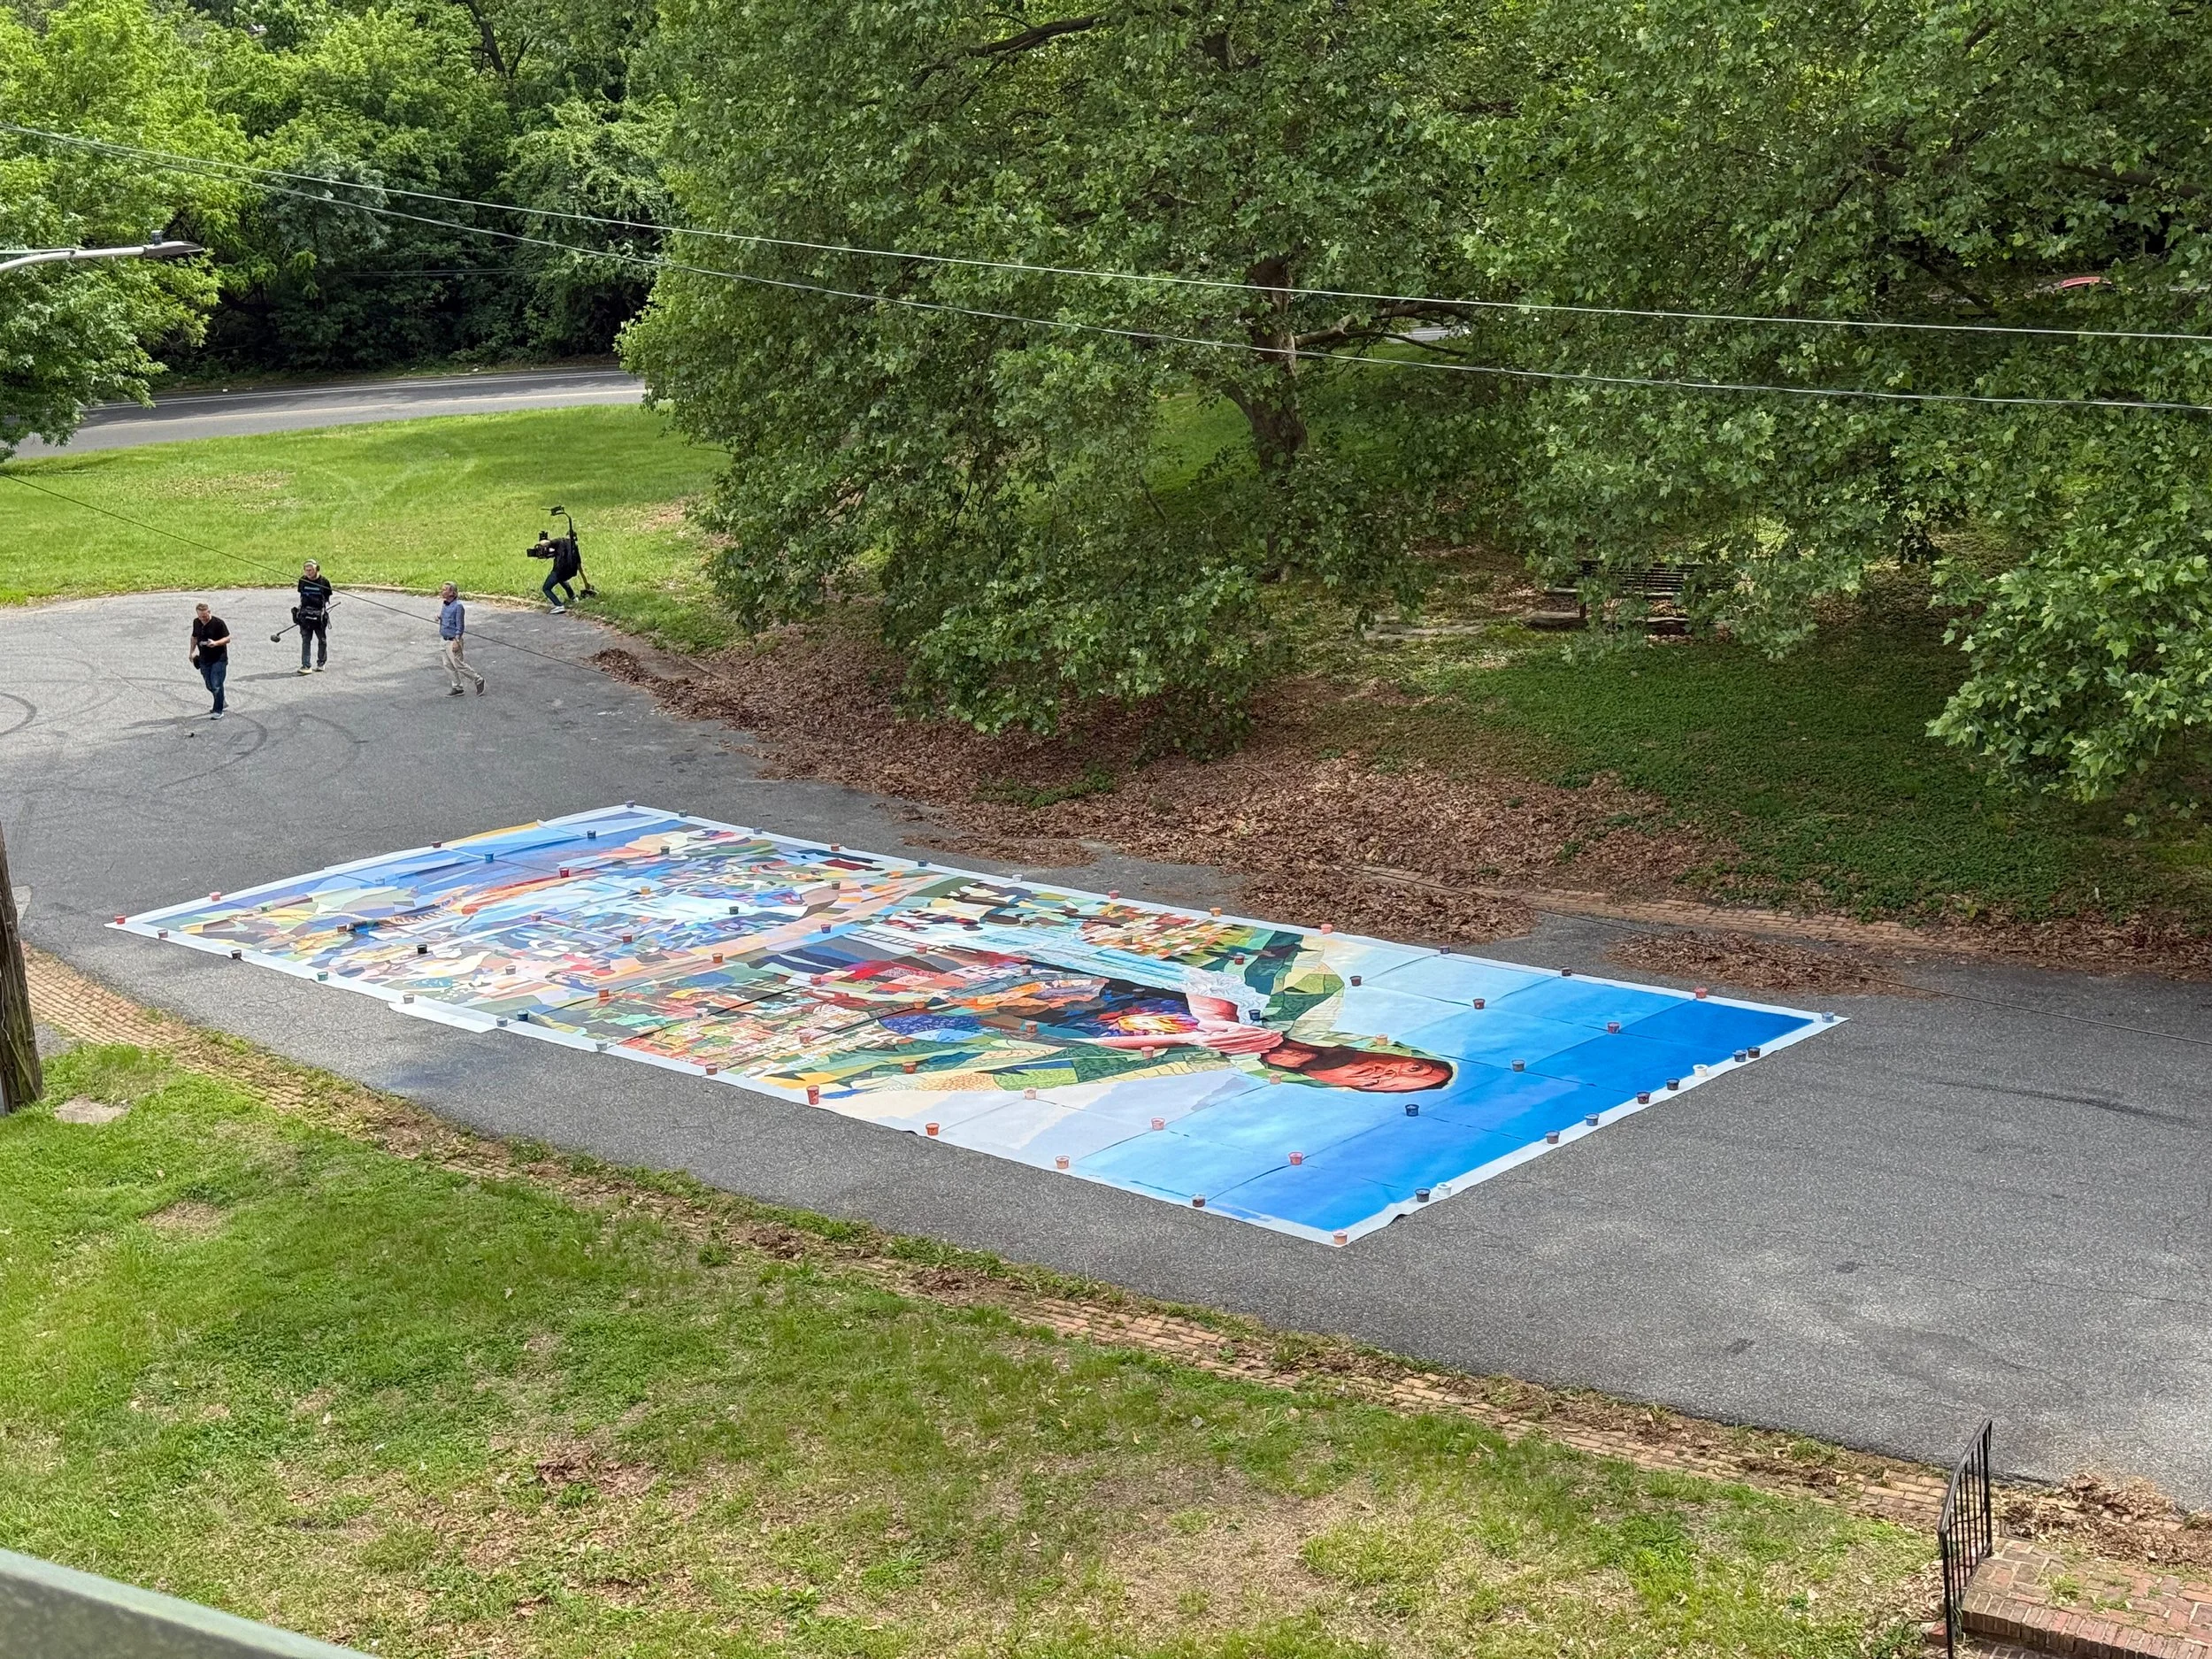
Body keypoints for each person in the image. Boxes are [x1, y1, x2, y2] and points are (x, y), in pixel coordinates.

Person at [437, 582, 486, 696]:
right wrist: (440, 617)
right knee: (447, 664)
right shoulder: (445, 604)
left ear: (452, 592)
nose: (442, 591)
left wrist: (456, 640)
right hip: (444, 639)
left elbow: (460, 625)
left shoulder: (458, 606)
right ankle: (457, 687)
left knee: (458, 664)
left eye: (445, 590)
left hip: (453, 640)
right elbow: (446, 617)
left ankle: (478, 679)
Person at [526, 529, 588, 614]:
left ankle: (559, 605)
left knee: (546, 588)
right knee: (561, 579)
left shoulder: (560, 541)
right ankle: (573, 597)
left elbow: (545, 543)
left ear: (566, 535)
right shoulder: (574, 547)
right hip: (570, 573)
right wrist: (586, 583)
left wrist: (543, 540)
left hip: (559, 571)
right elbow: (580, 568)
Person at [188, 603, 231, 718]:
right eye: (200, 616)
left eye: (205, 616)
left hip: (219, 658)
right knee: (209, 685)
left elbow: (227, 639)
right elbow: (194, 637)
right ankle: (221, 700)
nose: (203, 619)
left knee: (216, 684)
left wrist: (216, 643)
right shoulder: (196, 622)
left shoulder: (218, 623)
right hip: (204, 659)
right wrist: (192, 652)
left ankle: (218, 711)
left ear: (209, 612)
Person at [294, 559, 333, 674]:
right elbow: (301, 595)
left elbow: (327, 597)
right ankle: (306, 665)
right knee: (306, 640)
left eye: (311, 570)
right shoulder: (302, 581)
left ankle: (321, 663)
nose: (308, 573)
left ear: (317, 569)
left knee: (322, 640)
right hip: (305, 615)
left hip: (319, 616)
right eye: (306, 570)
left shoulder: (324, 582)